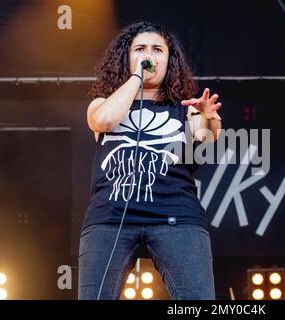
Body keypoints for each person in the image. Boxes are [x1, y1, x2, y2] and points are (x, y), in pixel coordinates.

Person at [78, 21, 222, 300]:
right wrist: (136, 78)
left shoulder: (184, 110)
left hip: (177, 216)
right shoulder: (101, 103)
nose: (149, 55)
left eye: (158, 50)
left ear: (170, 61)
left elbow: (207, 135)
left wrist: (207, 117)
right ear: (127, 57)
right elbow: (105, 120)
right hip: (110, 216)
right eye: (140, 49)